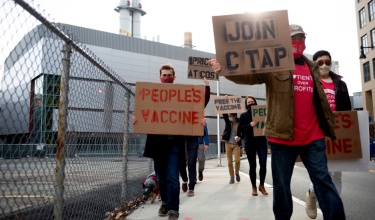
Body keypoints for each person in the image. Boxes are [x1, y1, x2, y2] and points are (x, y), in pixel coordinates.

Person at [209, 24, 346, 219]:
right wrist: (225, 69)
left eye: (301, 38)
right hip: (282, 139)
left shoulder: (312, 67)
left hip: (313, 138)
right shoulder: (274, 66)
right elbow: (249, 75)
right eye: (293, 39)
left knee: (324, 182)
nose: (298, 43)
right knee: (281, 186)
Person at [131, 64, 183, 220]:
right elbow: (145, 114)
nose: (166, 77)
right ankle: (166, 202)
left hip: (174, 143)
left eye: (169, 75)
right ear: (159, 77)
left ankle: (173, 209)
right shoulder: (152, 96)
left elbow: (191, 111)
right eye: (164, 75)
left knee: (173, 177)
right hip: (157, 144)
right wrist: (138, 120)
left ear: (174, 77)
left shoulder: (181, 96)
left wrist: (198, 121)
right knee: (161, 178)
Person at [304, 50, 351, 219]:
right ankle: (311, 193)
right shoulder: (309, 81)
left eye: (327, 62)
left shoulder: (340, 83)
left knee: (337, 173)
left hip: (337, 131)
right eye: (320, 62)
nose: (324, 65)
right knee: (322, 171)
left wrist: (349, 130)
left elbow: (347, 110)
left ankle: (333, 208)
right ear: (314, 63)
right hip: (317, 130)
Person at [180, 78, 210, 197]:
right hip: (180, 137)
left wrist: (207, 86)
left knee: (192, 162)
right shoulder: (178, 106)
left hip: (192, 138)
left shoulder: (196, 106)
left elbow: (205, 99)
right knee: (181, 163)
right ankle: (185, 179)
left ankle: (191, 186)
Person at [238, 95, 268, 196]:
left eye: (252, 102)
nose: (251, 104)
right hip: (250, 143)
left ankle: (262, 185)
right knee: (253, 165)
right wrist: (249, 125)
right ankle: (254, 187)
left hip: (261, 142)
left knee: (263, 163)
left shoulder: (261, 113)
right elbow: (240, 128)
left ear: (256, 103)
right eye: (248, 102)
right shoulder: (243, 116)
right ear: (246, 105)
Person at [222, 112, 241, 184]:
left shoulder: (239, 122)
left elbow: (242, 132)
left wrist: (240, 137)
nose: (229, 116)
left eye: (231, 115)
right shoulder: (228, 122)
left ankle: (237, 173)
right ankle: (232, 177)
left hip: (236, 144)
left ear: (234, 116)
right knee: (229, 162)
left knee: (237, 160)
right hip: (228, 143)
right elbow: (224, 115)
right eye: (229, 115)